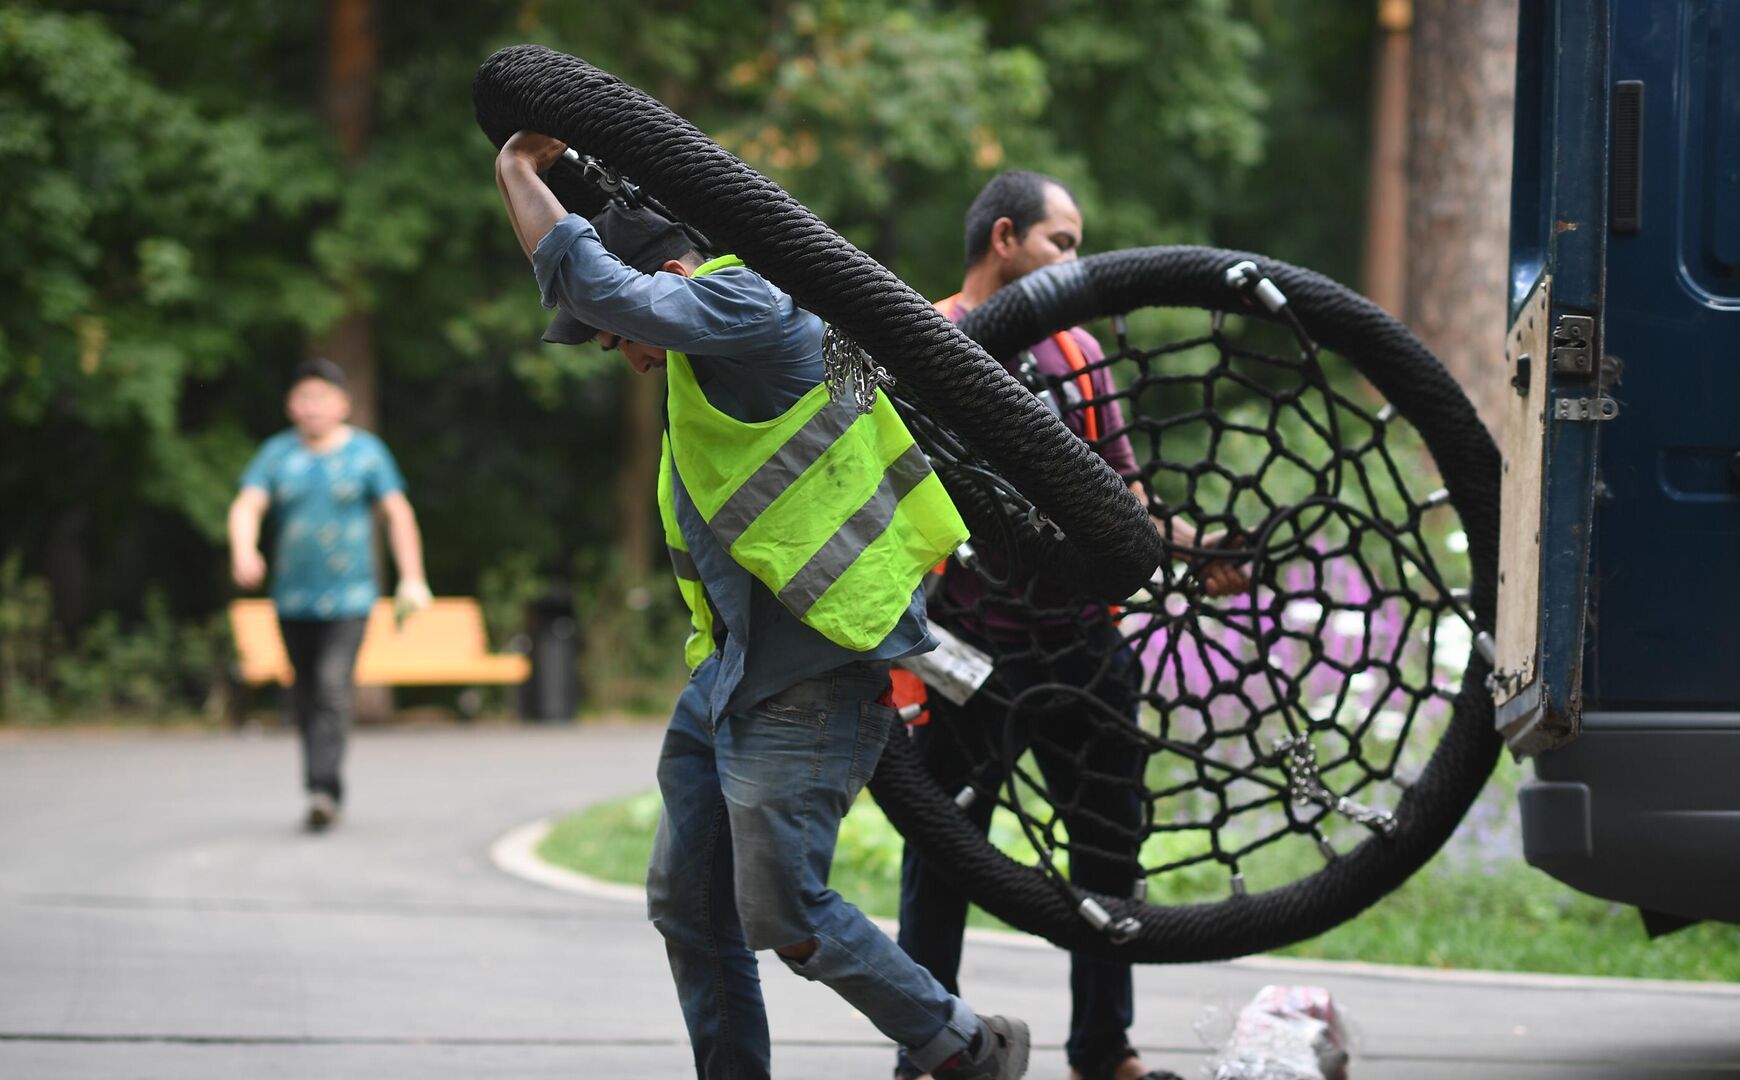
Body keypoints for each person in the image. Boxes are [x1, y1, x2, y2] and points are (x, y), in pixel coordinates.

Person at [493, 129, 1029, 1080]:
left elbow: (595, 285)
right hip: (732, 675)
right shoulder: (705, 368)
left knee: (782, 912)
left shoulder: (752, 300)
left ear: (665, 272)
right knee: (687, 907)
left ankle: (962, 1046)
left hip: (812, 677)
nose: (622, 353)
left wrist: (517, 172)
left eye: (618, 338)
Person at [896, 170, 1247, 1080]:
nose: (1075, 261)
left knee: (1109, 850)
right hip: (966, 647)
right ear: (1004, 237)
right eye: (1063, 242)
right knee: (943, 858)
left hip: (1082, 641)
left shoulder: (1078, 353)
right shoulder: (921, 338)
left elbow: (1120, 498)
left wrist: (1192, 544)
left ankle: (1104, 1051)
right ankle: (930, 1052)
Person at [226, 359, 431, 832]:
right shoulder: (277, 455)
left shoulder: (366, 454)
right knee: (304, 695)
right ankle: (320, 786)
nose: (313, 407)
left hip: (350, 599)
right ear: (291, 406)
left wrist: (412, 577)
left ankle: (324, 789)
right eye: (305, 398)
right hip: (292, 600)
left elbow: (398, 514)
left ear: (343, 404)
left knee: (333, 687)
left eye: (323, 398)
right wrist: (243, 548)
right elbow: (247, 504)